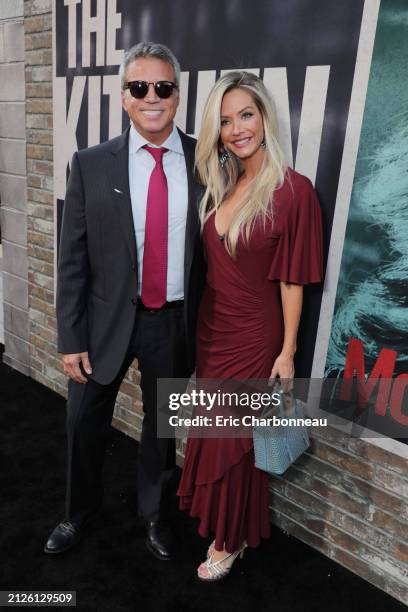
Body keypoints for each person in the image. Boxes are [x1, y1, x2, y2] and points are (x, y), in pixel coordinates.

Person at [44, 42, 205, 561]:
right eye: (140, 88)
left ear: (178, 95)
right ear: (124, 97)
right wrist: (70, 338)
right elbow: (71, 261)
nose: (151, 97)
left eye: (163, 87)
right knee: (82, 424)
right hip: (104, 322)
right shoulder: (90, 164)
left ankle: (156, 516)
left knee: (161, 432)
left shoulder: (207, 161)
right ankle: (78, 512)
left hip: (173, 323)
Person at [177, 71, 323, 581]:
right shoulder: (224, 186)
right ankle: (222, 522)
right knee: (214, 434)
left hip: (255, 340)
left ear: (264, 117)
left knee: (234, 446)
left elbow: (293, 282)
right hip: (212, 334)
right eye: (225, 120)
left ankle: (230, 537)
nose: (237, 128)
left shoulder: (292, 191)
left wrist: (286, 352)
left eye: (246, 114)